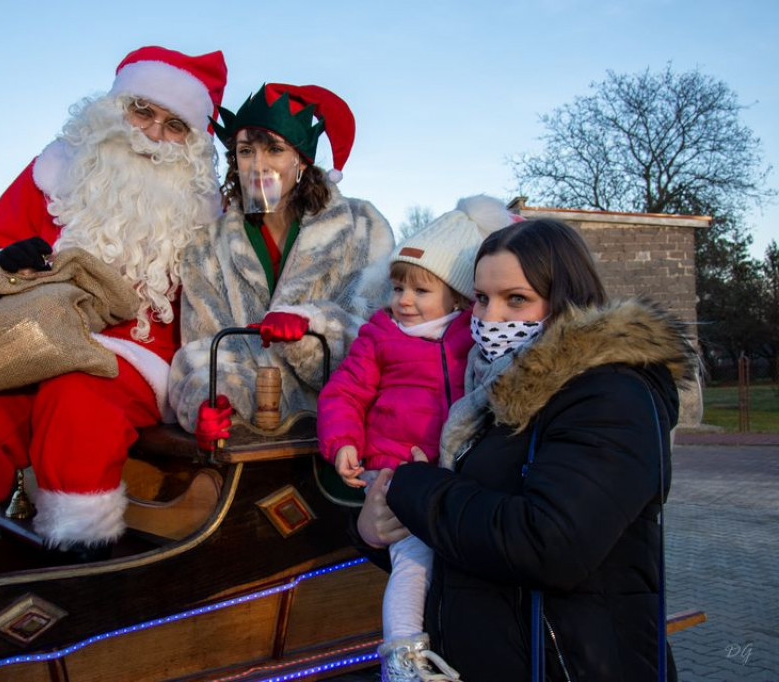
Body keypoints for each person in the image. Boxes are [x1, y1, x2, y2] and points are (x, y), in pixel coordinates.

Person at [0, 46, 228, 574]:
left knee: (78, 403)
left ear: (192, 144)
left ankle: (83, 555)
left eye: (174, 125)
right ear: (114, 107)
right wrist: (5, 262)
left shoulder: (203, 213)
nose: (151, 133)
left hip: (132, 351)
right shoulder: (52, 171)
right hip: (27, 338)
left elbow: (218, 302)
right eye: (141, 111)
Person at [357, 218, 696, 681]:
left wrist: (418, 490)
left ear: (564, 301)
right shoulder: (487, 393)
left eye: (515, 299)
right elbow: (470, 539)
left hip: (572, 665)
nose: (489, 317)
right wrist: (376, 529)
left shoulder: (610, 393)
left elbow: (549, 545)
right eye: (480, 298)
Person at [317, 196, 515, 682]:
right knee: (414, 560)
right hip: (398, 471)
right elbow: (345, 391)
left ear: (458, 296)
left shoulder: (475, 335)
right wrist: (342, 440)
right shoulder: (381, 336)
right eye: (399, 286)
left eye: (420, 290)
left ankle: (459, 645)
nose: (404, 299)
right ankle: (403, 656)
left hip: (455, 470)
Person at [167, 83, 394, 448]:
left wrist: (311, 327)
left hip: (340, 432)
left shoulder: (361, 226)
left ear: (301, 160)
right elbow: (201, 346)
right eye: (245, 151)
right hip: (247, 436)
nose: (258, 165)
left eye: (274, 149)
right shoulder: (205, 246)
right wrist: (209, 401)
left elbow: (379, 335)